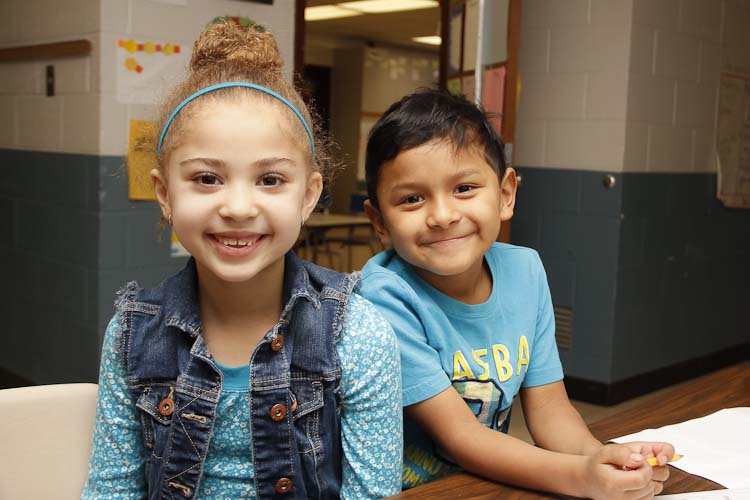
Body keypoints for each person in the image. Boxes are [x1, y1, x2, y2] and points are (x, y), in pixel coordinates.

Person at [81, 21, 402, 500]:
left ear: (308, 196)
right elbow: (111, 490)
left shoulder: (357, 334)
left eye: (270, 180)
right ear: (164, 194)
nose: (237, 207)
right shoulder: (130, 337)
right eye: (207, 178)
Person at [358, 88, 675, 500]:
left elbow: (550, 410)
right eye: (412, 198)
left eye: (465, 188)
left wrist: (601, 458)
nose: (443, 215)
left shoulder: (524, 271)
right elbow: (460, 437)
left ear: (506, 194)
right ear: (379, 222)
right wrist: (580, 477)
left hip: (485, 483)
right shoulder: (383, 297)